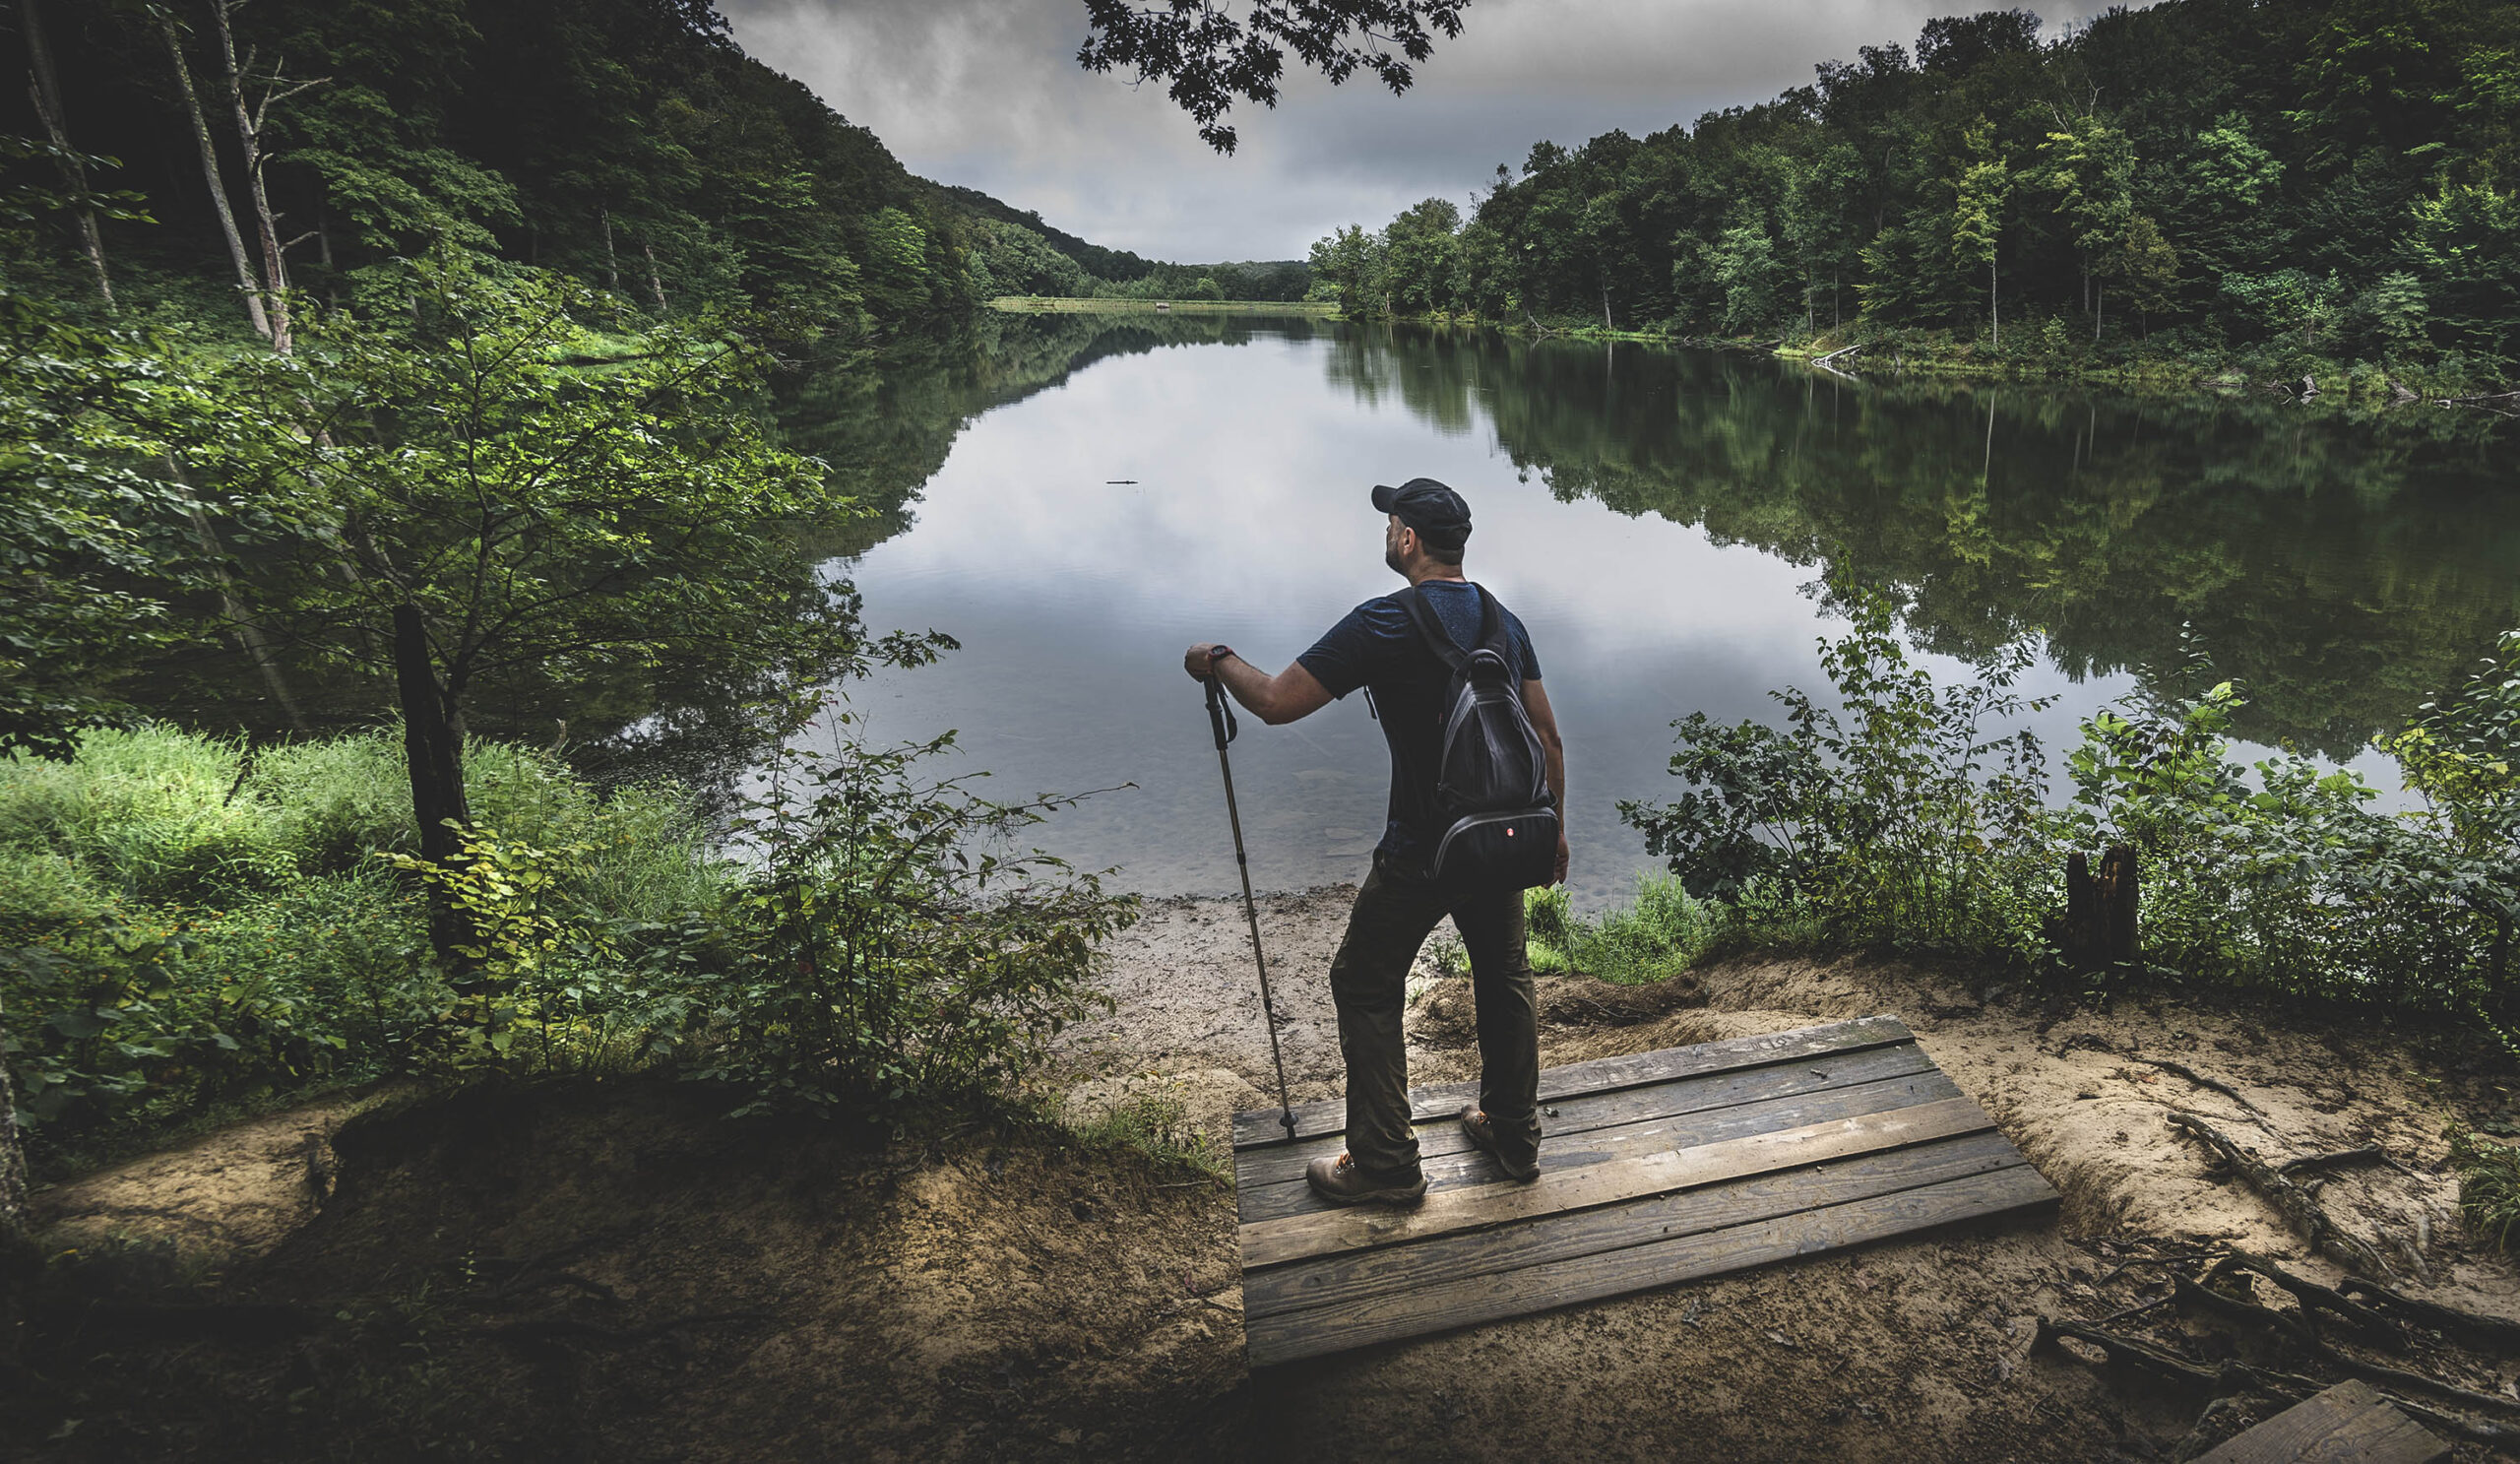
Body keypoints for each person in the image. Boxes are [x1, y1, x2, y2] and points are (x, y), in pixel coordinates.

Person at [1183, 477, 1568, 1206]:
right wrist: (1554, 835)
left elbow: (1272, 701)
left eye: (1391, 523)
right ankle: (1514, 1135)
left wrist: (1216, 658)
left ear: (1408, 541)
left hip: (1421, 851)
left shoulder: (1383, 624)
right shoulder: (1502, 620)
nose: (1388, 533)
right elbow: (1547, 734)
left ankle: (1387, 1162)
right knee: (1505, 975)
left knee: (1363, 981)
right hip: (1499, 840)